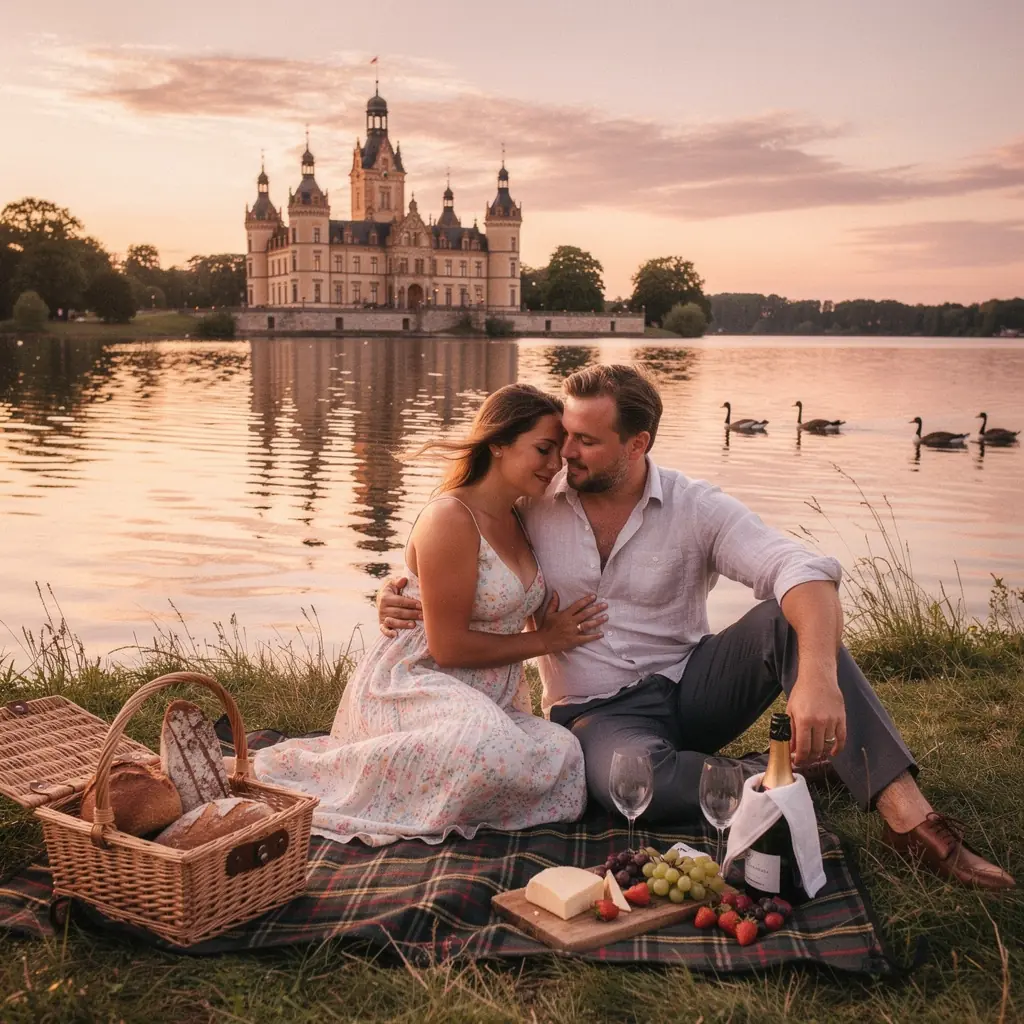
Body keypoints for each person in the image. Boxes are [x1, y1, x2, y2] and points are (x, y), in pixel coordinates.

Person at [380, 364, 1015, 889]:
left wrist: (817, 677)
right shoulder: (536, 495)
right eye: (563, 437)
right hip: (599, 712)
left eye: (586, 441)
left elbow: (803, 567)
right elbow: (457, 529)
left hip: (696, 686)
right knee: (635, 785)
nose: (566, 452)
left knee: (787, 620)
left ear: (638, 444)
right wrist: (395, 589)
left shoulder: (696, 506)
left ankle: (912, 823)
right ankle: (790, 773)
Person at [255, 383, 605, 846]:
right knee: (483, 747)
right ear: (498, 444)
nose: (555, 464)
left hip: (486, 692)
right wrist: (547, 640)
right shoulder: (451, 518)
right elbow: (448, 646)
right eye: (543, 449)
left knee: (564, 752)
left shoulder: (523, 514)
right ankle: (342, 779)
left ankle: (451, 782)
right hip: (417, 680)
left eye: (557, 452)